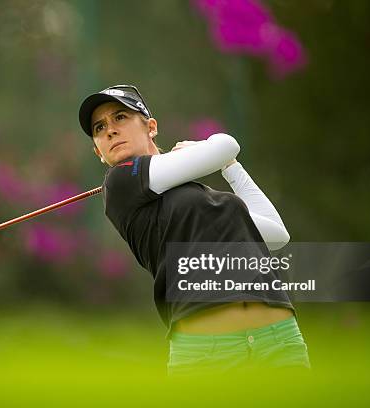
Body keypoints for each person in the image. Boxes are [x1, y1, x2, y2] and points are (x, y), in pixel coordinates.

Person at [78, 84, 311, 374]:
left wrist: (232, 167)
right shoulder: (120, 182)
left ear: (151, 126)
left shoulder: (205, 198)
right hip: (207, 351)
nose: (110, 130)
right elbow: (226, 144)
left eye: (120, 117)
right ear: (98, 151)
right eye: (99, 128)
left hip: (277, 339)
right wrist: (209, 150)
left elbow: (276, 233)